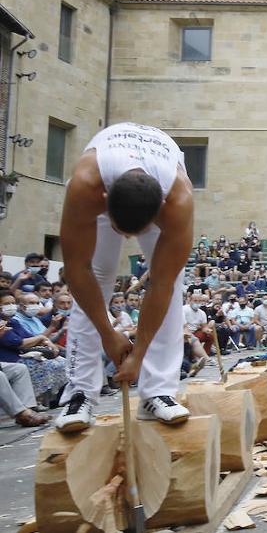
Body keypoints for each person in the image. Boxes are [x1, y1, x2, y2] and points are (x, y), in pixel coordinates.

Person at [54, 123, 194, 432]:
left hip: (157, 183)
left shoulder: (178, 200)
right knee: (99, 273)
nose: (127, 238)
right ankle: (81, 392)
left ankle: (158, 391)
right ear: (104, 200)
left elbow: (161, 284)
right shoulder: (85, 186)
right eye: (119, 228)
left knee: (171, 280)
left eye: (136, 232)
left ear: (159, 211)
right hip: (108, 180)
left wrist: (139, 351)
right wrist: (108, 332)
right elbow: (78, 271)